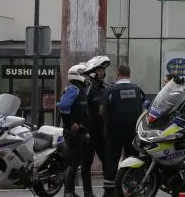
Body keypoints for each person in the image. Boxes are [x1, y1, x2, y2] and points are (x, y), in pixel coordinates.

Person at [99, 65, 145, 197]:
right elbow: (143, 110)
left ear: (117, 74)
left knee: (112, 158)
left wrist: (109, 120)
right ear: (129, 74)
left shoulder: (110, 90)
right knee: (133, 158)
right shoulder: (138, 90)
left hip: (115, 130)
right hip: (133, 131)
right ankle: (132, 187)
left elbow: (101, 111)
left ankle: (109, 192)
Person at [58, 63, 92, 197]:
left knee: (76, 161)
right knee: (73, 162)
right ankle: (68, 191)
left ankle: (70, 191)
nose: (86, 77)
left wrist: (84, 130)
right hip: (73, 132)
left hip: (79, 131)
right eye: (83, 74)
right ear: (76, 75)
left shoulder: (80, 89)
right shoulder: (73, 89)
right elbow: (63, 106)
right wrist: (70, 124)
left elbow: (83, 113)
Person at [80, 55, 111, 197]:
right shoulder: (86, 89)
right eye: (99, 70)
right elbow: (82, 111)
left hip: (102, 132)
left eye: (103, 70)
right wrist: (84, 130)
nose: (103, 73)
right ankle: (88, 193)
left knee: (107, 162)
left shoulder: (105, 88)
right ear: (92, 72)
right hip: (89, 132)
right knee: (87, 163)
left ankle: (108, 192)